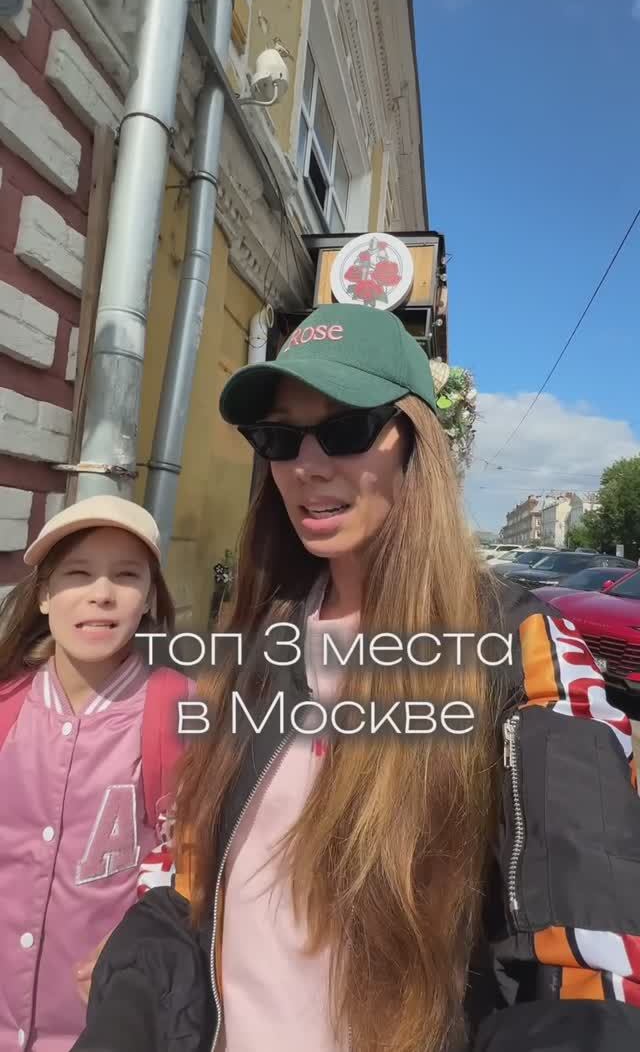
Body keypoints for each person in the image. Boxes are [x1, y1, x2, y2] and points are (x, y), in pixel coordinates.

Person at [74, 304, 640, 1052]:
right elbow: (189, 863)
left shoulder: (520, 648)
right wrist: (130, 985)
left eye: (344, 430)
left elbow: (596, 959)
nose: (306, 466)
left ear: (415, 445)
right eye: (279, 439)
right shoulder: (255, 640)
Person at [0, 495, 192, 1052]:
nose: (101, 593)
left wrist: (141, 937)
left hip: (103, 1031)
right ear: (43, 594)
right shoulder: (8, 709)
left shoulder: (183, 714)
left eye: (126, 576)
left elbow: (197, 866)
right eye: (78, 574)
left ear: (150, 597)